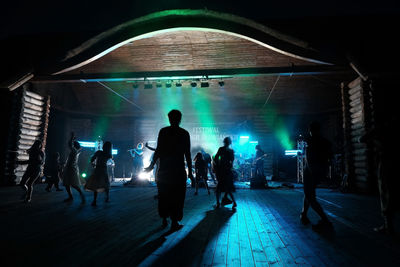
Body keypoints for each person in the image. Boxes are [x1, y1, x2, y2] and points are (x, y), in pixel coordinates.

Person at [145, 110, 193, 231]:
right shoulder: (184, 133)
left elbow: (158, 150)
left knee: (164, 196)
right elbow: (187, 154)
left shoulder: (163, 132)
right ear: (180, 119)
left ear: (169, 119)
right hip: (178, 171)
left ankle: (164, 219)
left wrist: (151, 166)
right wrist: (191, 173)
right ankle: (174, 222)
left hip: (164, 171)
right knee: (178, 197)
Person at [359, 116, 397, 234]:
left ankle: (388, 225)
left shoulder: (379, 129)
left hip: (385, 161)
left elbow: (361, 139)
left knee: (385, 192)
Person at [300, 122, 332, 230]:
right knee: (308, 193)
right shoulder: (325, 142)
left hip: (310, 172)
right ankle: (303, 215)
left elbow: (309, 159)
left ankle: (326, 221)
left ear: (310, 131)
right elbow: (329, 157)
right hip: (319, 171)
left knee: (310, 196)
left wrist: (311, 172)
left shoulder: (310, 142)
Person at [85, 141, 112, 206]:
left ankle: (94, 201)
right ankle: (107, 198)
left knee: (96, 184)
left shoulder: (99, 152)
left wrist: (93, 164)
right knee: (105, 184)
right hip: (103, 169)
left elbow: (92, 159)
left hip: (98, 169)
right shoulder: (109, 155)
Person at [214, 137, 237, 209]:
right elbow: (232, 161)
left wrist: (218, 165)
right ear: (230, 143)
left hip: (222, 170)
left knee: (219, 188)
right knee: (228, 187)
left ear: (224, 142)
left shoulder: (221, 149)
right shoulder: (231, 151)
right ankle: (234, 202)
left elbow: (216, 158)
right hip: (228, 170)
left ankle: (218, 203)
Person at [62, 132, 85, 203]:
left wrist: (72, 137)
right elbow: (70, 144)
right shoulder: (76, 151)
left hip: (71, 169)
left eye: (73, 144)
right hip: (70, 168)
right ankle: (71, 196)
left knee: (73, 184)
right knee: (67, 183)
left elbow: (69, 144)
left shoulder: (74, 151)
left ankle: (81, 194)